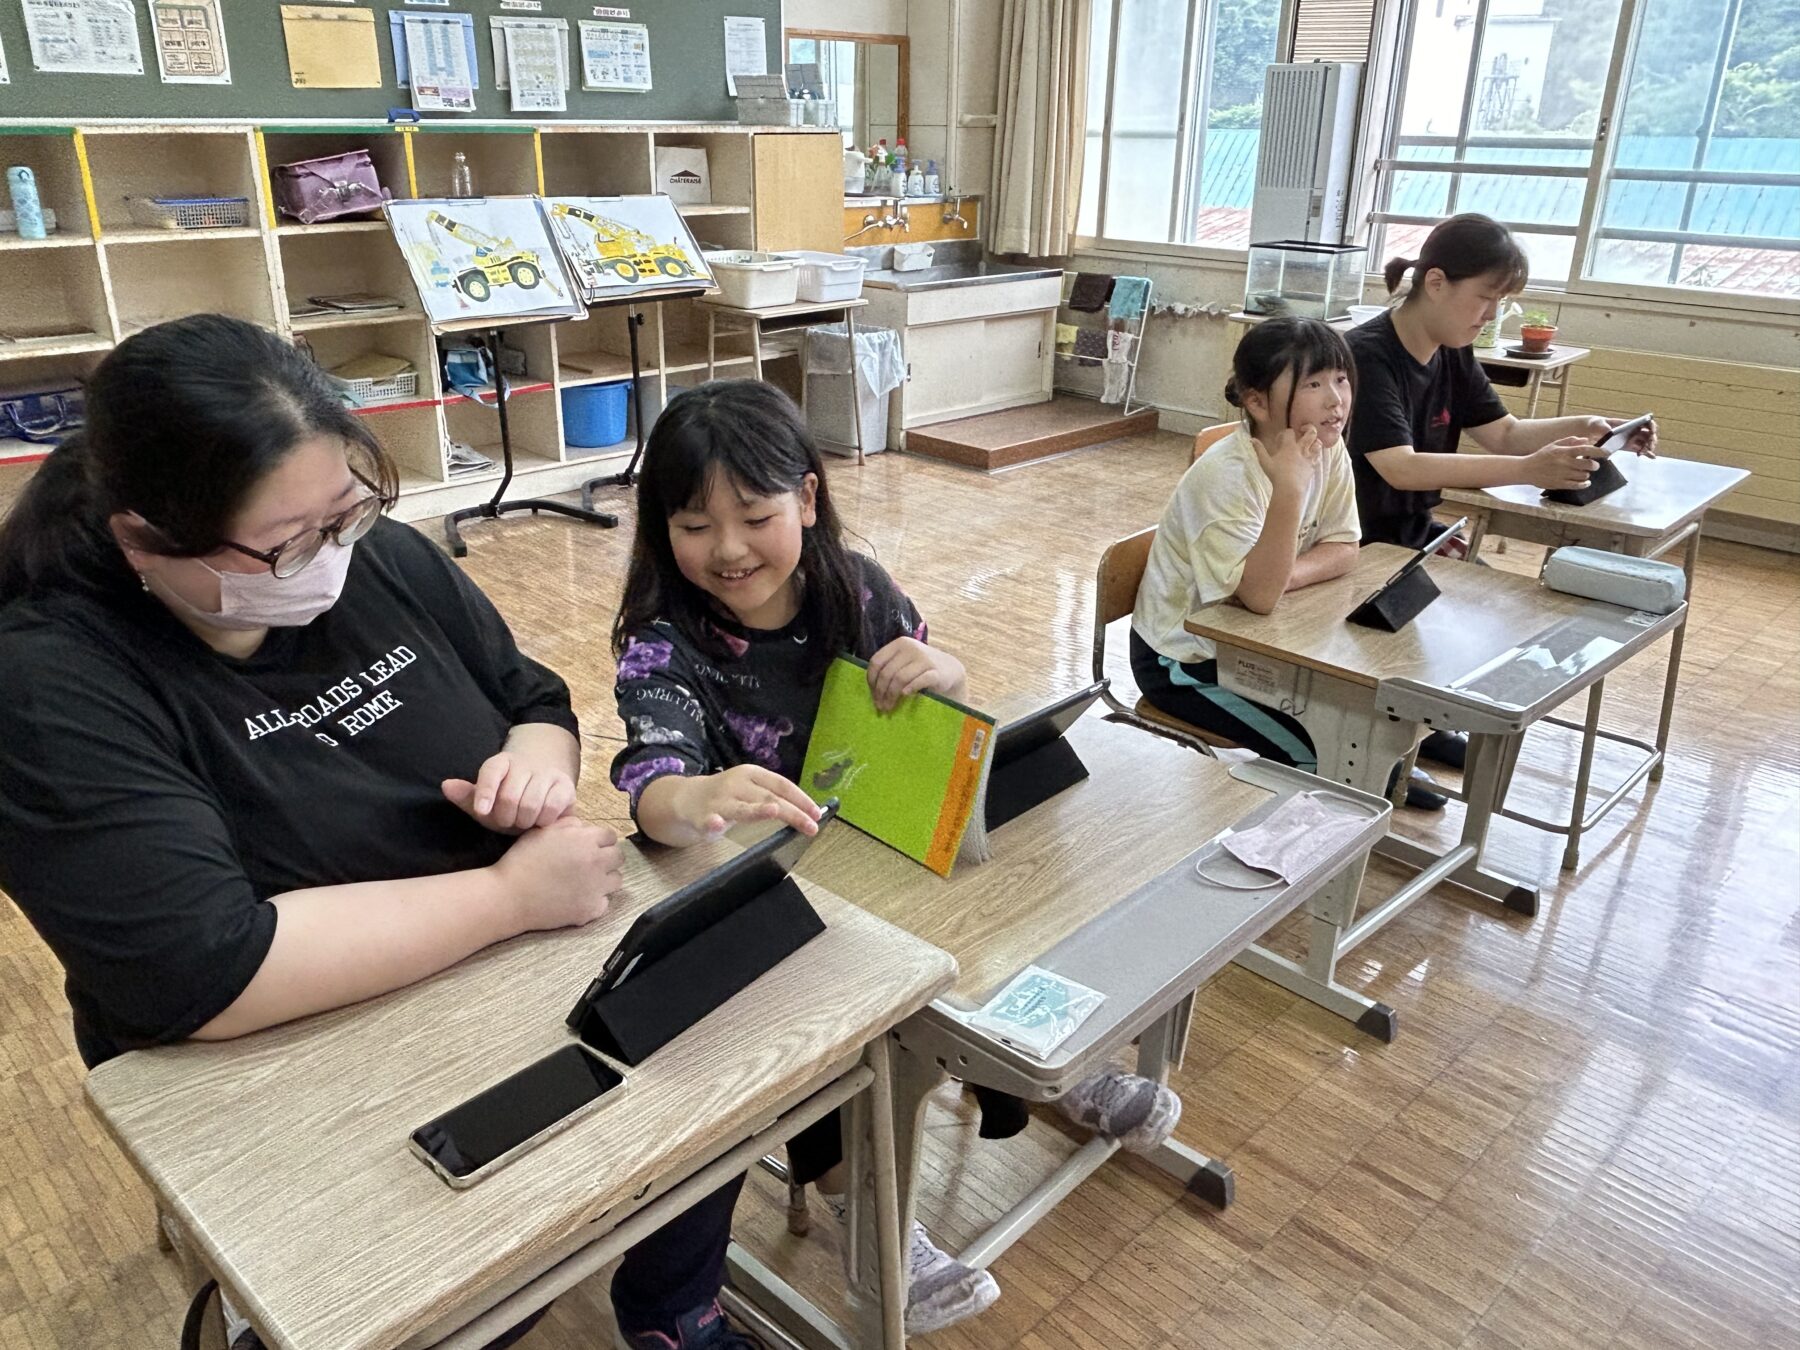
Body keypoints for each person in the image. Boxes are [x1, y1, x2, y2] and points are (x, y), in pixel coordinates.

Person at [0, 316, 747, 1350]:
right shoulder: (51, 685)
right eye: (289, 544)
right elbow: (199, 970)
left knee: (713, 1073)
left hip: (498, 974)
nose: (329, 558)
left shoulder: (372, 558)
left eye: (349, 510)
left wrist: (534, 766)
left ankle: (670, 1309)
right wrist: (506, 899)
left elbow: (530, 692)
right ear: (143, 540)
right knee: (472, 1275)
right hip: (287, 1054)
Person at [610, 381, 1184, 1334]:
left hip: (881, 851)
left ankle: (1039, 1061)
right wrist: (695, 797)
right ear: (660, 529)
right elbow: (651, 782)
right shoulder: (665, 646)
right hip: (773, 899)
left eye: (754, 516)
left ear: (805, 496)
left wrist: (946, 671)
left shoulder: (857, 588)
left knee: (993, 893)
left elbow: (934, 679)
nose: (728, 550)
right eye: (693, 525)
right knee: (838, 1027)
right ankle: (863, 1207)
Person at [1346, 213, 1658, 770]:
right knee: (1436, 615)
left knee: (1490, 612)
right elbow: (1400, 467)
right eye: (1485, 298)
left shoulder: (1450, 348)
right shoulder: (1368, 355)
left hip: (1408, 532)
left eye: (1501, 303)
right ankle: (1383, 756)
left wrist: (1587, 426)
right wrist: (1529, 469)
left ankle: (1415, 727)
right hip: (1360, 540)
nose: (1490, 316)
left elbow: (1504, 433)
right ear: (1436, 282)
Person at [1130, 318, 1456, 805]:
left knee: (1359, 718)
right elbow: (1259, 597)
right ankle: (1320, 838)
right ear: (1257, 402)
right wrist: (1289, 490)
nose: (1336, 399)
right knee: (1320, 752)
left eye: (1341, 380)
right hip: (1184, 660)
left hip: (1262, 643)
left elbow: (1345, 549)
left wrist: (1282, 577)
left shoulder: (1324, 446)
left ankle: (1381, 766)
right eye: (1314, 383)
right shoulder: (1227, 476)